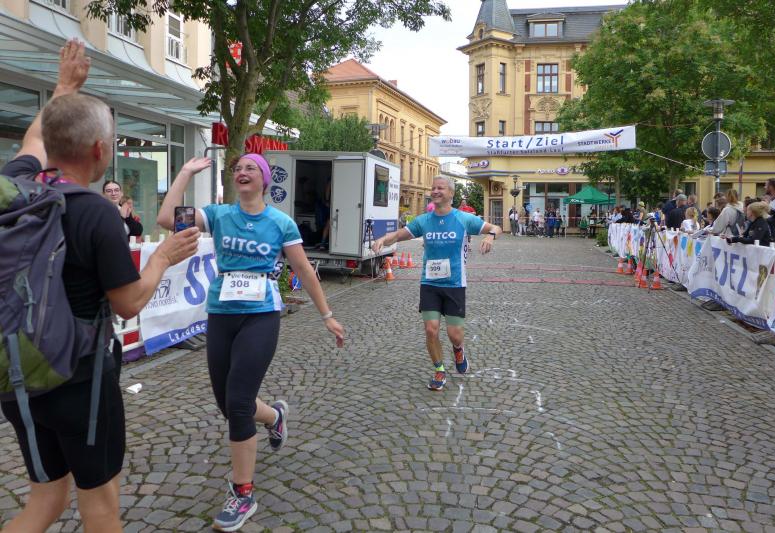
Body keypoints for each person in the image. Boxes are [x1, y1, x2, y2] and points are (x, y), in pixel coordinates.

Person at [0, 40, 200, 533]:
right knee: (101, 506)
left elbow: (33, 140)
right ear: (99, 150)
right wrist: (164, 257)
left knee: (45, 501)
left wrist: (64, 87)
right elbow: (129, 303)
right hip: (80, 380)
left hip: (18, 374)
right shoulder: (97, 213)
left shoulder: (15, 188)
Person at [157, 153, 345, 532]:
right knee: (227, 404)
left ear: (263, 179)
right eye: (238, 168)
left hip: (260, 316)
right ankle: (275, 417)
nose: (242, 172)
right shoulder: (219, 215)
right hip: (221, 313)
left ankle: (242, 493)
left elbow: (303, 269)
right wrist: (186, 172)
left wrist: (327, 315)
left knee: (239, 402)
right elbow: (166, 220)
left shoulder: (280, 222)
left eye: (250, 168)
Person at [370, 176, 501, 391]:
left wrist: (490, 237)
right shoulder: (424, 221)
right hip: (429, 283)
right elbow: (399, 235)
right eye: (433, 188)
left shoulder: (463, 219)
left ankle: (458, 349)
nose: (435, 191)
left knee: (454, 334)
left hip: (455, 284)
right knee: (431, 330)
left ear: (451, 193)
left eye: (440, 188)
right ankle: (439, 370)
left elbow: (496, 227)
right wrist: (384, 239)